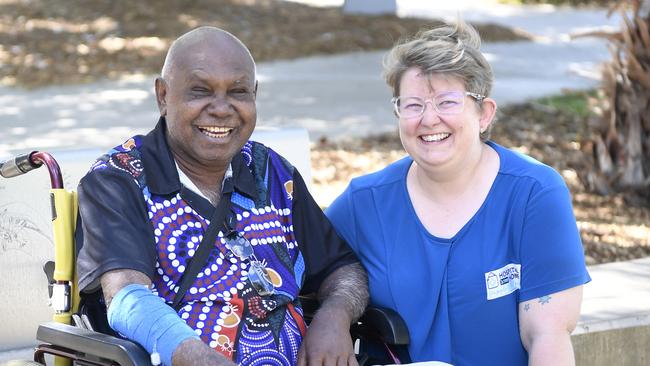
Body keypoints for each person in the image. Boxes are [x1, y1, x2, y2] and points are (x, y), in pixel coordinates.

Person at [76, 26, 368, 366]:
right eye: (200, 91)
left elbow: (341, 267)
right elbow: (127, 297)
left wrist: (334, 317)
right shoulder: (118, 179)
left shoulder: (272, 172)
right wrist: (195, 356)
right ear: (163, 96)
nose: (221, 108)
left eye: (238, 92)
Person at [326, 20, 591, 365]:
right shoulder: (364, 203)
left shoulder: (534, 194)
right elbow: (298, 275)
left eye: (447, 102)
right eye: (413, 105)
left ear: (484, 113)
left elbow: (546, 335)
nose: (429, 119)